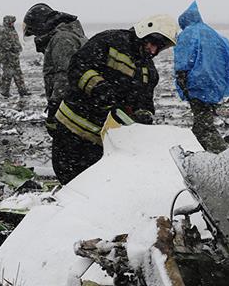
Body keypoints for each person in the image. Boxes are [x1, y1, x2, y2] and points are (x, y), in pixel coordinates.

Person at [50, 14, 179, 184]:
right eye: (153, 44)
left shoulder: (149, 72)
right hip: (71, 127)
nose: (154, 51)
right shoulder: (110, 41)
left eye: (159, 48)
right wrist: (98, 87)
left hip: (101, 140)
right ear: (144, 32)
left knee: (89, 185)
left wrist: (143, 115)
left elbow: (145, 102)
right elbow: (77, 66)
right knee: (67, 178)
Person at [174, 1, 229, 153]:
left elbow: (183, 61)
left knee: (204, 127)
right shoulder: (214, 34)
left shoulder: (188, 33)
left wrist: (182, 81)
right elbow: (226, 59)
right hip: (215, 85)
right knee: (203, 122)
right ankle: (205, 153)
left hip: (197, 84)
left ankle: (222, 156)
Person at [23, 3, 87, 136]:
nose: (35, 36)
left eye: (34, 32)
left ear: (41, 26)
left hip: (72, 108)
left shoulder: (62, 39)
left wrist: (55, 107)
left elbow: (65, 75)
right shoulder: (65, 36)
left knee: (68, 149)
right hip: (77, 105)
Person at [0, 15, 30, 97]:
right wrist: (12, 48)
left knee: (18, 74)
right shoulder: (2, 30)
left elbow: (15, 41)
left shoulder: (12, 30)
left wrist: (19, 48)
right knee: (7, 74)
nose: (12, 23)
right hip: (7, 57)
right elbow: (2, 43)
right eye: (11, 22)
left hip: (14, 57)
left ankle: (22, 91)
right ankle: (4, 92)